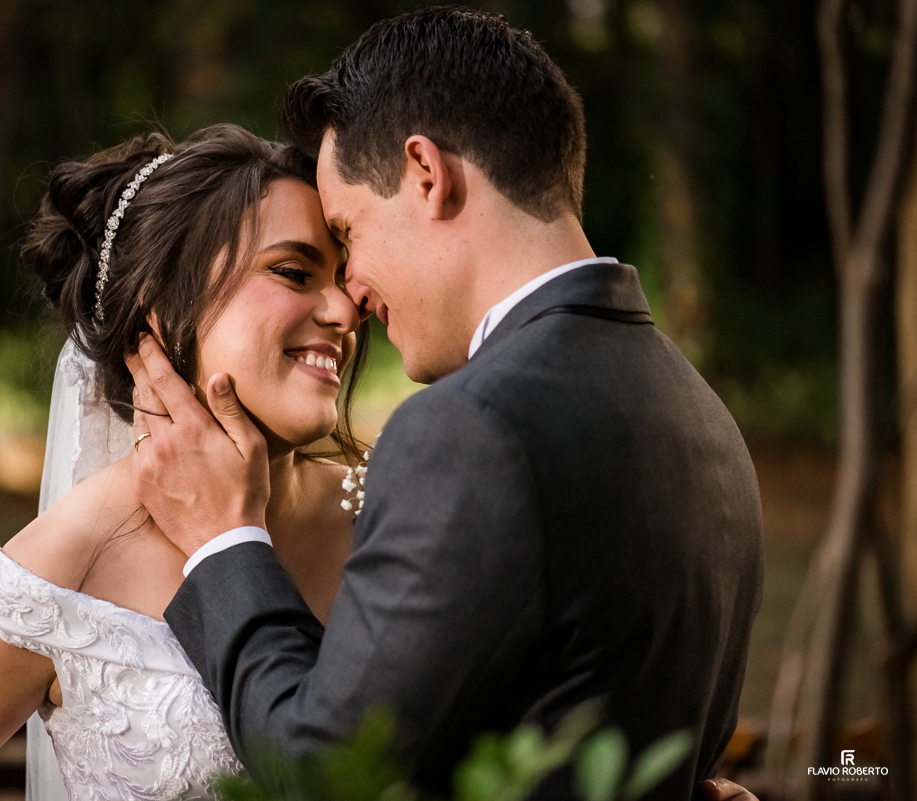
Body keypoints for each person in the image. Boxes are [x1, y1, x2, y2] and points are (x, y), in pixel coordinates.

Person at [124, 7, 765, 801]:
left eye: (348, 231)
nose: (352, 292)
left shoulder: (472, 429)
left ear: (427, 173)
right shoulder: (703, 415)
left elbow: (329, 774)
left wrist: (225, 540)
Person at [0, 123, 369, 801]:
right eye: (294, 271)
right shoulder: (53, 574)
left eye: (345, 280)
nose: (345, 312)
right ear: (158, 302)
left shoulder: (391, 510)